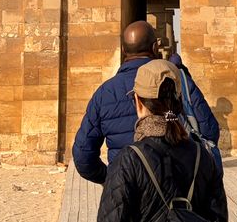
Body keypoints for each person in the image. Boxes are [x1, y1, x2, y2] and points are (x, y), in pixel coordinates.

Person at [97, 59, 228, 222]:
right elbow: (218, 219)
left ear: (137, 102)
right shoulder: (202, 155)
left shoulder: (130, 159)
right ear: (179, 102)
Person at [73, 21, 221, 185]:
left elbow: (83, 155)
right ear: (155, 47)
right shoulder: (176, 81)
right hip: (177, 184)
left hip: (127, 188)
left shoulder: (104, 93)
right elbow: (209, 132)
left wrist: (112, 178)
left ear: (123, 50)